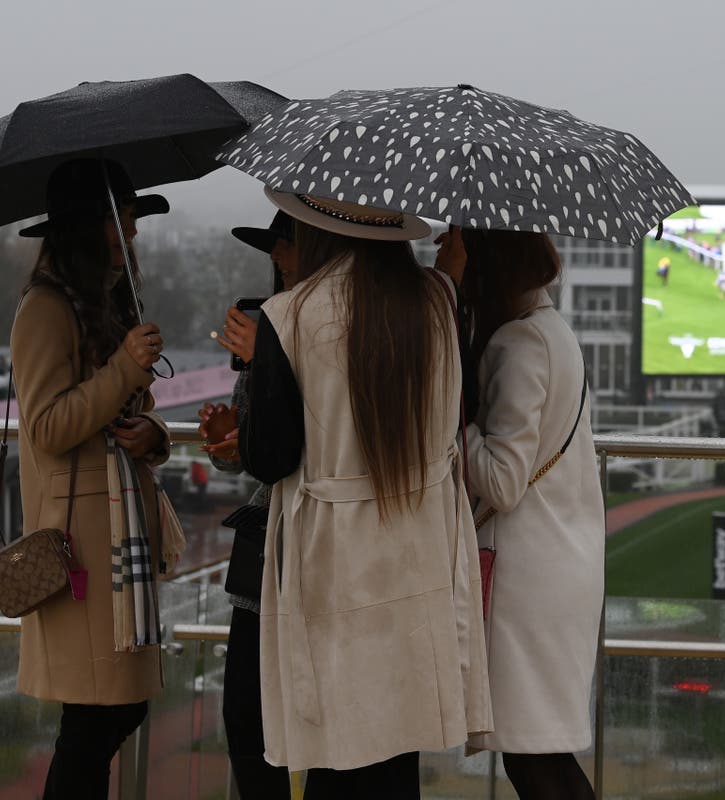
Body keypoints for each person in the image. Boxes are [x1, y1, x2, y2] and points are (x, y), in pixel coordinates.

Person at [238, 188, 490, 798]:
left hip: (335, 558)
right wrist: (451, 273)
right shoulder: (436, 299)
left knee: (339, 746)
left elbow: (269, 457)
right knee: (398, 745)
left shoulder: (289, 315)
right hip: (420, 546)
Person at [9, 158, 181, 799]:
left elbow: (126, 411)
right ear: (84, 227)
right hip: (81, 545)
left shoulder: (104, 305)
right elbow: (47, 426)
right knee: (95, 718)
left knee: (110, 713)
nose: (130, 233)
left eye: (131, 220)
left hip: (115, 535)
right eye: (119, 220)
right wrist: (126, 369)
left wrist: (153, 433)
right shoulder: (44, 310)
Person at [436, 227, 604, 800]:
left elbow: (503, 481)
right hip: (559, 569)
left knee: (534, 759)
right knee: (542, 756)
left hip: (527, 580)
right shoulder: (554, 333)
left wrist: (454, 420)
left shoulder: (520, 341)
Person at [197, 210, 297, 799]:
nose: (277, 257)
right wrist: (226, 439)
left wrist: (267, 358)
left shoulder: (326, 328)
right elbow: (250, 454)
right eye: (274, 247)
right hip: (264, 550)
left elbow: (310, 436)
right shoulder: (270, 324)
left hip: (309, 545)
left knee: (288, 720)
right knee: (245, 716)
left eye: (285, 244)